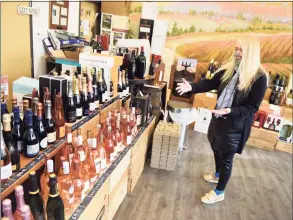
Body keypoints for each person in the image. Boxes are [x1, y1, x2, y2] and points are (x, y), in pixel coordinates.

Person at [176, 36, 269, 204]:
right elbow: (211, 83)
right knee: (216, 147)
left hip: (235, 125)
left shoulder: (260, 77)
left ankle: (219, 191)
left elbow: (251, 109)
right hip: (219, 117)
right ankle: (217, 175)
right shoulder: (231, 69)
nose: (237, 53)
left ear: (251, 53)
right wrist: (192, 87)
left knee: (227, 158)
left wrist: (229, 111)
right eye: (236, 49)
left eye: (241, 50)